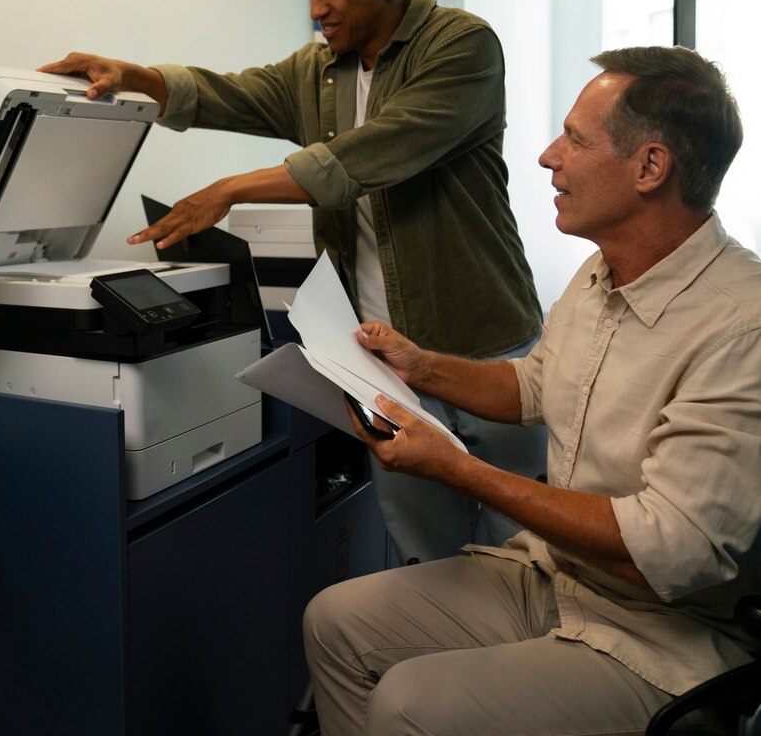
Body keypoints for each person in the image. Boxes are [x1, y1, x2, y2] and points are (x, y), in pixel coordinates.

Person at [42, 0, 544, 564]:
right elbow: (228, 93)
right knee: (427, 555)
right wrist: (134, 76)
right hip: (386, 363)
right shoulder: (317, 72)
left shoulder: (461, 45)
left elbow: (374, 155)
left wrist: (228, 190)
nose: (317, 9)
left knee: (524, 550)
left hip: (486, 345)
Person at [303, 46, 760, 736]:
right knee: (333, 620)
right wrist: (419, 367)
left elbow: (665, 550)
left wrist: (460, 471)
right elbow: (535, 384)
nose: (548, 156)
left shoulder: (741, 322)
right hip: (557, 577)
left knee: (409, 700)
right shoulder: (599, 275)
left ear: (650, 167)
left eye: (575, 139)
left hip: (662, 637)